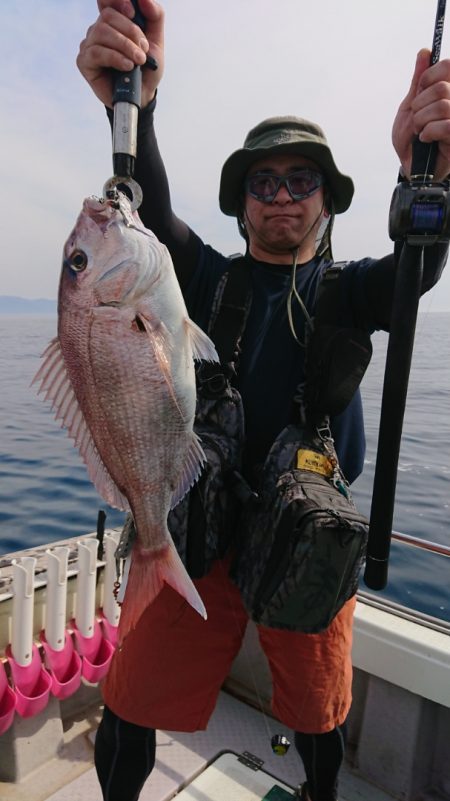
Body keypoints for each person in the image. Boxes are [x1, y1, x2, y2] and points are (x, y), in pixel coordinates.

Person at [77, 3, 450, 800]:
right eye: (264, 182)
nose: (282, 195)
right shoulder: (204, 278)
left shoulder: (350, 290)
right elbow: (155, 209)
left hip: (305, 539)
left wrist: (426, 176)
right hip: (199, 532)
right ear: (243, 204)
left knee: (319, 723)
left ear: (327, 198)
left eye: (301, 178)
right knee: (127, 707)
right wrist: (135, 100)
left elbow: (415, 271)